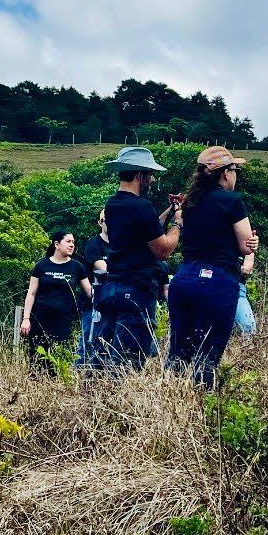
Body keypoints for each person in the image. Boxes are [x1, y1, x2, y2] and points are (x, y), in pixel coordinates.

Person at [166, 146, 259, 387]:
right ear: (225, 173)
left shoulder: (190, 202)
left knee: (178, 352)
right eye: (235, 170)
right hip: (217, 279)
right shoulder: (232, 201)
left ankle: (170, 396)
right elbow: (245, 246)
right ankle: (201, 401)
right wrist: (253, 243)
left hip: (184, 277)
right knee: (207, 355)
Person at [93, 146, 180, 369]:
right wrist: (178, 224)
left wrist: (168, 211)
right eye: (150, 174)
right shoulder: (142, 207)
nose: (152, 179)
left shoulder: (113, 204)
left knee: (104, 357)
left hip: (112, 287)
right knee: (127, 363)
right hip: (137, 289)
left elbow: (147, 228)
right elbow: (163, 250)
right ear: (140, 175)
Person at [20, 231, 92, 373]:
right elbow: (31, 293)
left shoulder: (77, 267)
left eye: (73, 242)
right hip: (40, 318)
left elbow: (89, 291)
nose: (72, 245)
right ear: (57, 244)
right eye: (68, 241)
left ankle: (56, 383)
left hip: (63, 319)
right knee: (37, 357)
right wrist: (26, 318)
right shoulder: (42, 265)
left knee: (58, 356)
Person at [78, 211, 108, 366]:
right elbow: (103, 268)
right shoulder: (93, 243)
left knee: (107, 343)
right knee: (88, 340)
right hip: (94, 302)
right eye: (105, 219)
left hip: (114, 301)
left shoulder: (122, 245)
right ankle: (81, 372)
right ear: (100, 222)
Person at [233, 250, 257, 336]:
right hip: (211, 284)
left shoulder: (247, 243)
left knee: (248, 327)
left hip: (237, 287)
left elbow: (247, 269)